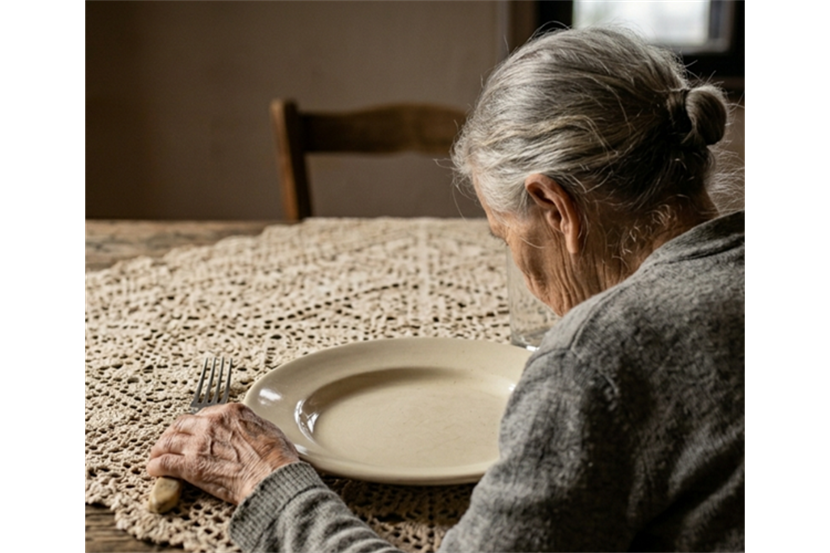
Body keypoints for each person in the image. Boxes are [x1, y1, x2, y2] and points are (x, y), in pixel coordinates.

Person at [147, 27, 745, 552]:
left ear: (555, 208)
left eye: (503, 235)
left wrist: (267, 481)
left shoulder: (597, 361)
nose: (517, 264)